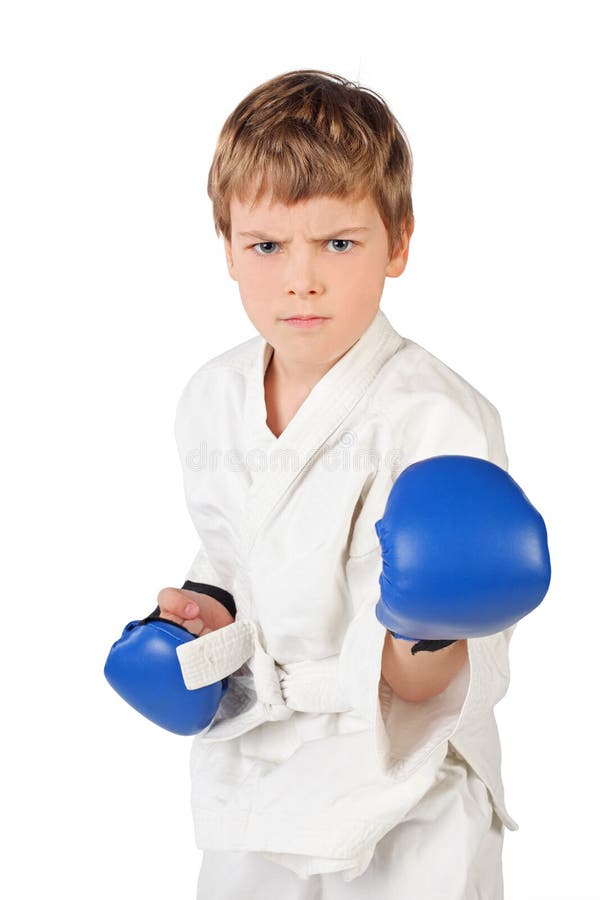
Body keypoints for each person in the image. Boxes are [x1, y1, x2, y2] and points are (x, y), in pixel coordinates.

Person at [156, 69, 521, 898]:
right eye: (269, 245)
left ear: (398, 242)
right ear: (228, 248)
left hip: (405, 785)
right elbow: (230, 560)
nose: (302, 279)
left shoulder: (437, 419)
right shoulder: (211, 398)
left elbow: (435, 682)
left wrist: (427, 625)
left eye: (339, 243)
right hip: (258, 776)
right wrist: (197, 620)